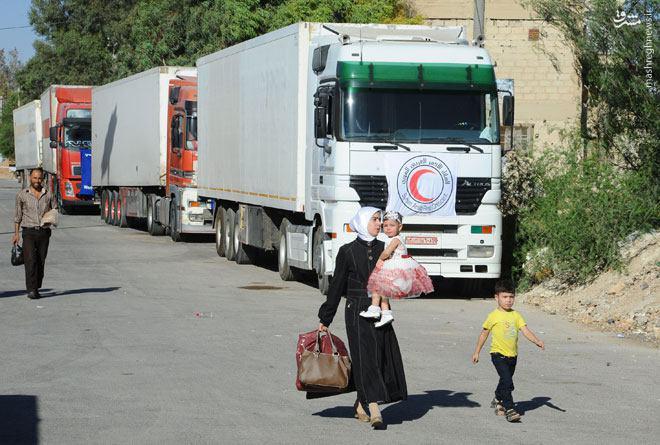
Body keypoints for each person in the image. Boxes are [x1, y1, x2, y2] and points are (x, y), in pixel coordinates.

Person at [317, 207, 407, 429]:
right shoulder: (347, 251)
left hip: (380, 309)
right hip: (356, 309)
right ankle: (374, 408)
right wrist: (325, 319)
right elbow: (336, 287)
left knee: (381, 355)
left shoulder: (384, 247)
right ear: (363, 221)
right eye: (375, 220)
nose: (379, 224)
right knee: (365, 356)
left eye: (380, 219)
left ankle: (360, 403)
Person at [471, 280, 545, 422]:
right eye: (505, 297)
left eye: (511, 297)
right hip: (497, 354)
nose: (508, 300)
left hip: (513, 355)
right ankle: (510, 409)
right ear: (496, 297)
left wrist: (537, 341)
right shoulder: (493, 316)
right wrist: (477, 352)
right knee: (507, 381)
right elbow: (484, 334)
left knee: (505, 381)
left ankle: (498, 399)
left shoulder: (516, 315)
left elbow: (525, 330)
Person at [361, 210, 434, 327]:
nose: (388, 228)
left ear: (400, 227)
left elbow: (387, 252)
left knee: (376, 287)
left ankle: (374, 309)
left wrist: (380, 259)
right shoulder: (395, 238)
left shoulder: (395, 239)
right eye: (385, 226)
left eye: (392, 225)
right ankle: (385, 313)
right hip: (396, 268)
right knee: (383, 292)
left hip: (395, 269)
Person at [12, 168, 58, 299]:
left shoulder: (48, 194)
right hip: (28, 232)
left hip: (44, 232)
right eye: (35, 178)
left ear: (42, 179)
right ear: (30, 178)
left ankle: (36, 286)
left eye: (39, 178)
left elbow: (54, 208)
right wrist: (16, 234)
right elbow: (17, 216)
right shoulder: (22, 195)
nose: (37, 181)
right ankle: (31, 289)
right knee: (30, 260)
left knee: (40, 261)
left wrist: (50, 216)